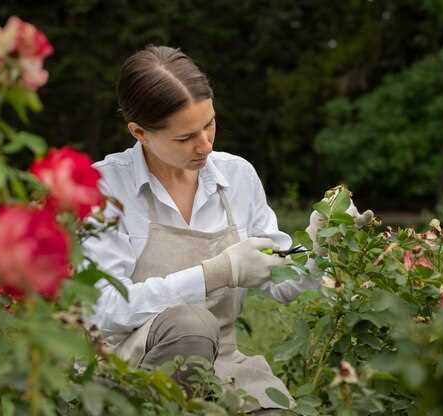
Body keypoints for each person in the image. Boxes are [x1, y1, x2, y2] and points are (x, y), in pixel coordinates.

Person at [83, 45, 367, 414]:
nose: (205, 145)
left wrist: (324, 247)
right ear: (139, 132)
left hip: (223, 365)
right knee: (191, 324)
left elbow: (281, 281)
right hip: (125, 364)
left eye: (209, 124)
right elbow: (102, 310)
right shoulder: (105, 188)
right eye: (185, 138)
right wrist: (213, 274)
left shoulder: (235, 176)